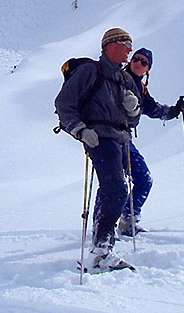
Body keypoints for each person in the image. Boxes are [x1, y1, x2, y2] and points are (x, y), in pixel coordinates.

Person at [54, 27, 141, 272]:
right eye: (126, 44)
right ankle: (101, 251)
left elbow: (133, 120)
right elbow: (64, 104)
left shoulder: (123, 79)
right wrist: (81, 130)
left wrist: (133, 111)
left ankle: (102, 246)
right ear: (110, 44)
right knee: (116, 189)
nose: (129, 50)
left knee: (116, 188)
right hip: (100, 139)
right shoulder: (90, 71)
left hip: (120, 140)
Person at [116, 47, 184, 237]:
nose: (138, 63)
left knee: (123, 181)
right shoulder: (118, 80)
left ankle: (120, 222)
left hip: (123, 137)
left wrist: (173, 111)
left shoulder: (139, 87)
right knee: (125, 181)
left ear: (148, 69)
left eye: (143, 62)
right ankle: (117, 224)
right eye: (136, 59)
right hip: (115, 136)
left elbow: (151, 107)